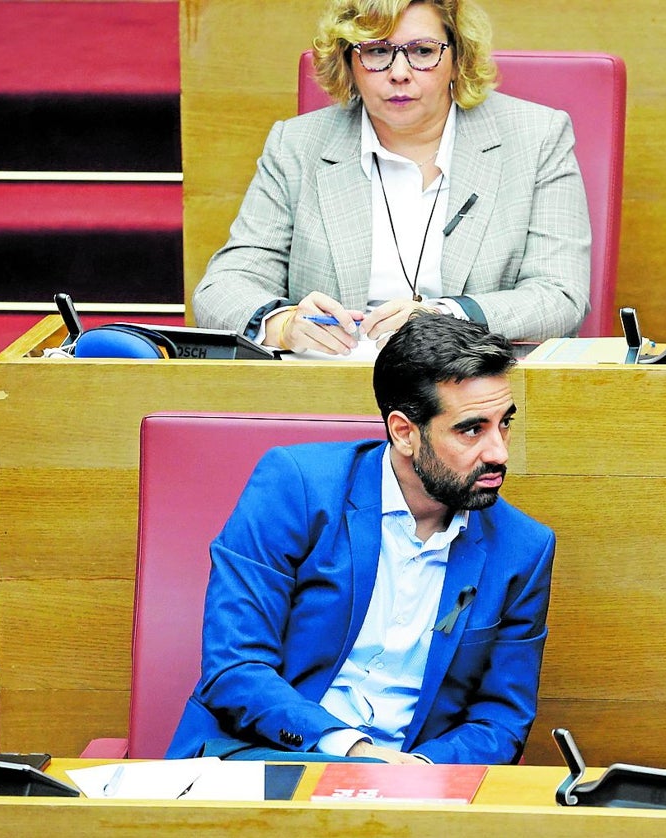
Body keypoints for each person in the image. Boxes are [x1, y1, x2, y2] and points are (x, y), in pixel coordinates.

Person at [166, 313, 556, 764]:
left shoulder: (523, 548)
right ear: (404, 432)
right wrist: (355, 752)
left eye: (504, 423)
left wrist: (422, 772)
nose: (499, 452)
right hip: (267, 755)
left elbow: (501, 720)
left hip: (413, 787)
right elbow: (236, 667)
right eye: (472, 429)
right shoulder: (298, 487)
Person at [191, 0, 591, 353]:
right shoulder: (297, 145)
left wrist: (442, 316)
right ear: (349, 62)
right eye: (377, 51)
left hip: (475, 386)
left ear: (458, 59)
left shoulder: (536, 137)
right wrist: (284, 326)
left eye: (422, 51)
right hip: (332, 385)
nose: (399, 72)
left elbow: (559, 297)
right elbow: (222, 290)